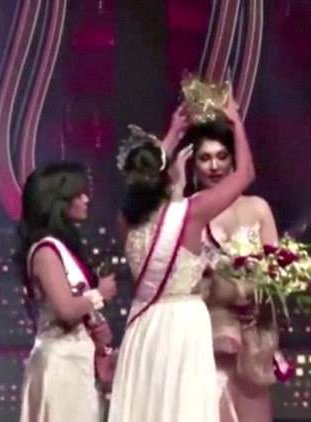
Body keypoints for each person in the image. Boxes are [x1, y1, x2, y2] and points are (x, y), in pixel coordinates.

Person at [107, 99, 255, 422]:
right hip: (182, 324)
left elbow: (144, 177)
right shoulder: (190, 212)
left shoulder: (124, 220)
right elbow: (245, 174)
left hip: (143, 328)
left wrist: (172, 136)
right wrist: (236, 125)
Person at [181, 119, 292, 422]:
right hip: (207, 334)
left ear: (234, 160)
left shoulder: (258, 207)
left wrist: (258, 297)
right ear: (193, 165)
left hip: (253, 334)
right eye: (205, 158)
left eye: (222, 156)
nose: (214, 166)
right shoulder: (188, 210)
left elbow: (277, 269)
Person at [17, 162, 118, 422]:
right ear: (58, 201)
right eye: (78, 194)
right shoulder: (45, 252)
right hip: (59, 366)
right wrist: (100, 294)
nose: (86, 200)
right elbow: (65, 309)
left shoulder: (62, 248)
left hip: (77, 363)